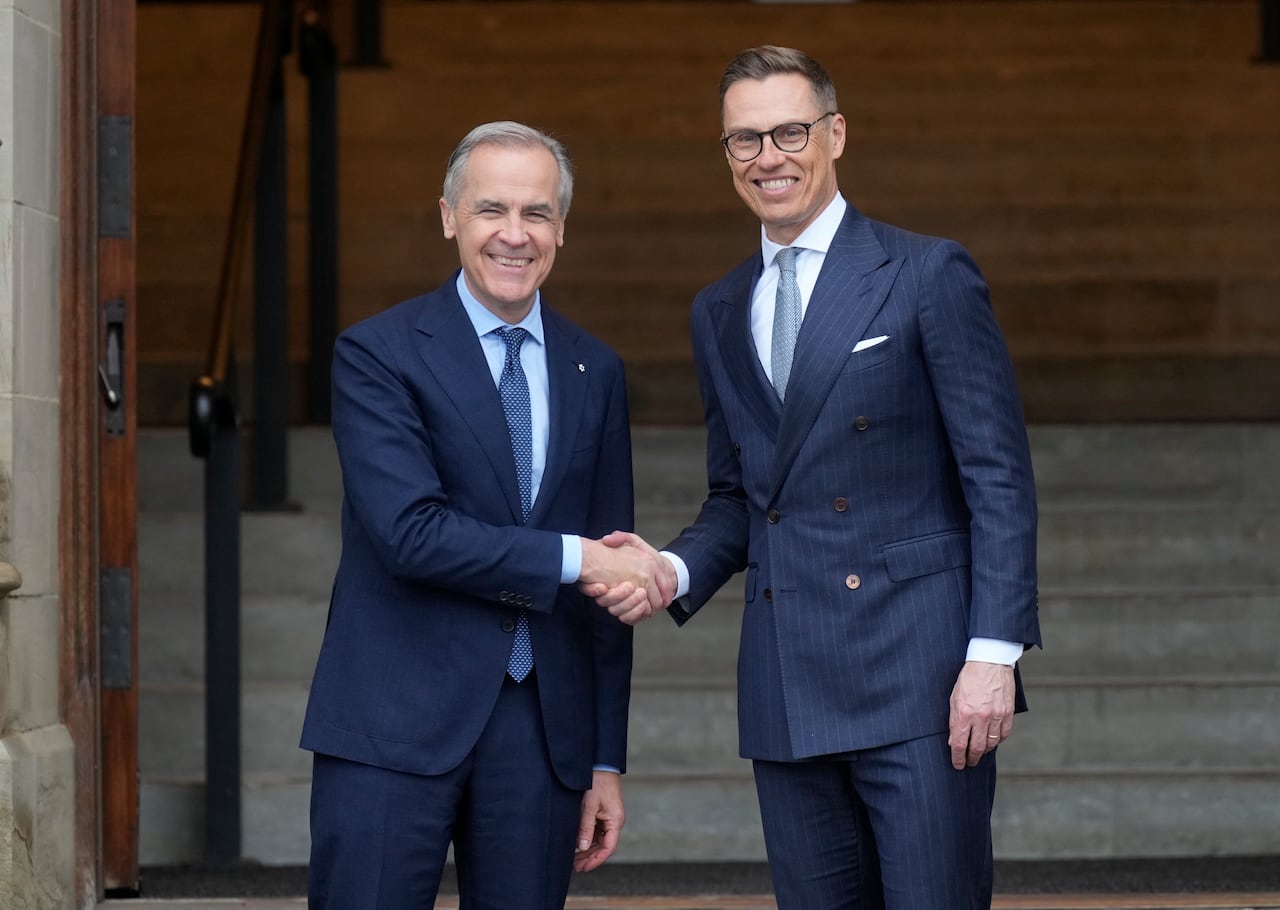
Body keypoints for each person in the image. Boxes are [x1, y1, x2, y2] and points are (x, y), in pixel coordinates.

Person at [589, 46, 1041, 908]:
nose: (770, 158)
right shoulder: (717, 309)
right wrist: (670, 569)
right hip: (788, 679)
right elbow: (741, 495)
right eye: (744, 141)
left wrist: (994, 655)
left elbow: (999, 478)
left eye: (790, 132)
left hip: (921, 673)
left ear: (835, 134)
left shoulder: (924, 272)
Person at [300, 120, 667, 910]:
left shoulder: (593, 368)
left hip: (541, 737)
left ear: (562, 229)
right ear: (448, 216)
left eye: (536, 213)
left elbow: (611, 571)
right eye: (490, 209)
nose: (514, 234)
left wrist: (605, 760)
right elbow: (411, 534)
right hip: (392, 722)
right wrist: (580, 559)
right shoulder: (378, 354)